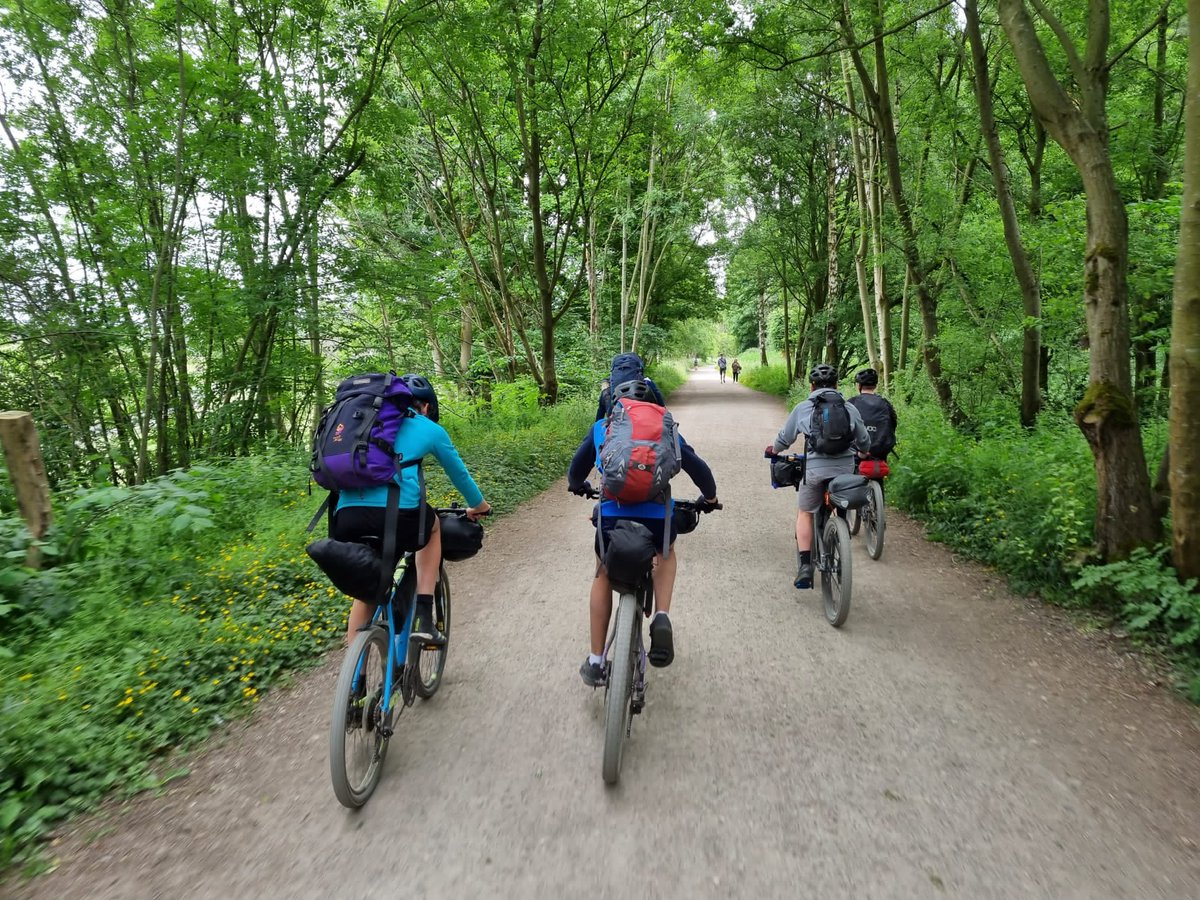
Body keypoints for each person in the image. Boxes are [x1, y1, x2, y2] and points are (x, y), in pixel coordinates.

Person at [567, 380, 719, 686]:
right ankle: (661, 616)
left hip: (611, 516)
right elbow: (697, 467)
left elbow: (575, 471)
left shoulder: (603, 427)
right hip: (656, 518)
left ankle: (596, 661)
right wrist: (710, 498)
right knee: (667, 552)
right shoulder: (666, 428)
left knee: (602, 573)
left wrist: (577, 485)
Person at [331, 374, 491, 645]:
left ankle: (353, 677)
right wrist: (479, 505)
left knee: (370, 588)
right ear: (426, 407)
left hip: (345, 516)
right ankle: (425, 617)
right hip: (398, 516)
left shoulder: (362, 425)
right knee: (432, 529)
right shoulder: (427, 428)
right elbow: (460, 475)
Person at [766, 364, 870, 589]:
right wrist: (863, 452)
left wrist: (773, 450)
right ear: (837, 386)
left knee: (805, 512)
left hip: (814, 470)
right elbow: (863, 440)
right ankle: (840, 536)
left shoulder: (804, 407)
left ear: (811, 386)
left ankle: (805, 566)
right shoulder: (849, 408)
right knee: (840, 499)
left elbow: (785, 437)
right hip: (844, 469)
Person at [847, 368, 898, 461]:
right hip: (879, 457)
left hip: (855, 456)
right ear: (875, 386)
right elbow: (893, 425)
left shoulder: (850, 403)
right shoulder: (885, 403)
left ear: (859, 385)